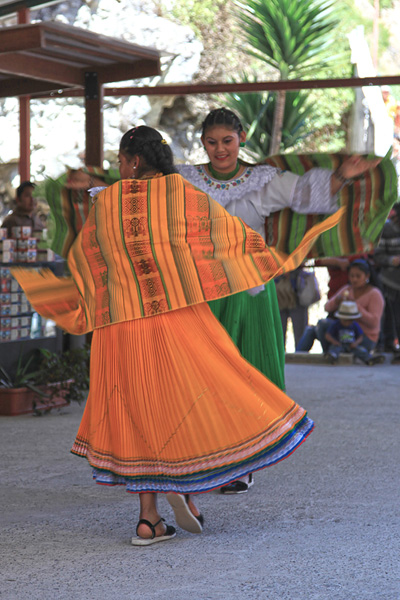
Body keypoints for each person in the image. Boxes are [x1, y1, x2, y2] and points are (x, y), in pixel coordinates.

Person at [12, 125, 341, 546]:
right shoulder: (184, 197)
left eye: (120, 161)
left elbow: (89, 262)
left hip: (119, 328)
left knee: (137, 410)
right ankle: (184, 486)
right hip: (174, 320)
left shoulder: (107, 203)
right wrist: (271, 257)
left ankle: (148, 520)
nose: (119, 168)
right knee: (184, 401)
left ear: (133, 161)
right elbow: (223, 243)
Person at [176, 107, 381, 493]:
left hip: (250, 285)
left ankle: (243, 462)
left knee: (247, 369)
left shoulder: (262, 180)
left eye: (227, 141)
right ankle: (204, 455)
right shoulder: (185, 179)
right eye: (212, 142)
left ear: (241, 141)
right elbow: (140, 192)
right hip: (201, 286)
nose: (220, 149)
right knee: (203, 373)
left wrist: (341, 177)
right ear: (202, 143)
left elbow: (307, 195)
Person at [297, 259, 385, 356]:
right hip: (342, 332)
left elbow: (374, 322)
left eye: (358, 276)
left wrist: (355, 307)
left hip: (362, 336)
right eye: (352, 276)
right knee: (316, 327)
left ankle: (333, 352)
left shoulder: (375, 294)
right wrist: (337, 301)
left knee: (322, 328)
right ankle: (297, 357)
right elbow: (327, 307)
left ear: (367, 276)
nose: (354, 279)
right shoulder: (347, 289)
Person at [373, 203, 400, 363]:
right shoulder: (387, 229)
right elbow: (378, 256)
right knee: (393, 316)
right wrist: (392, 260)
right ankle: (390, 345)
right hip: (390, 281)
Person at [325, 299, 385, 365]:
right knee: (334, 349)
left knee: (360, 350)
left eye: (349, 320)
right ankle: (331, 357)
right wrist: (335, 342)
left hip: (351, 345)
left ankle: (369, 359)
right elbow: (328, 335)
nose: (347, 322)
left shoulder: (355, 325)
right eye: (345, 320)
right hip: (339, 344)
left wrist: (356, 343)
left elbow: (360, 336)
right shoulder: (336, 324)